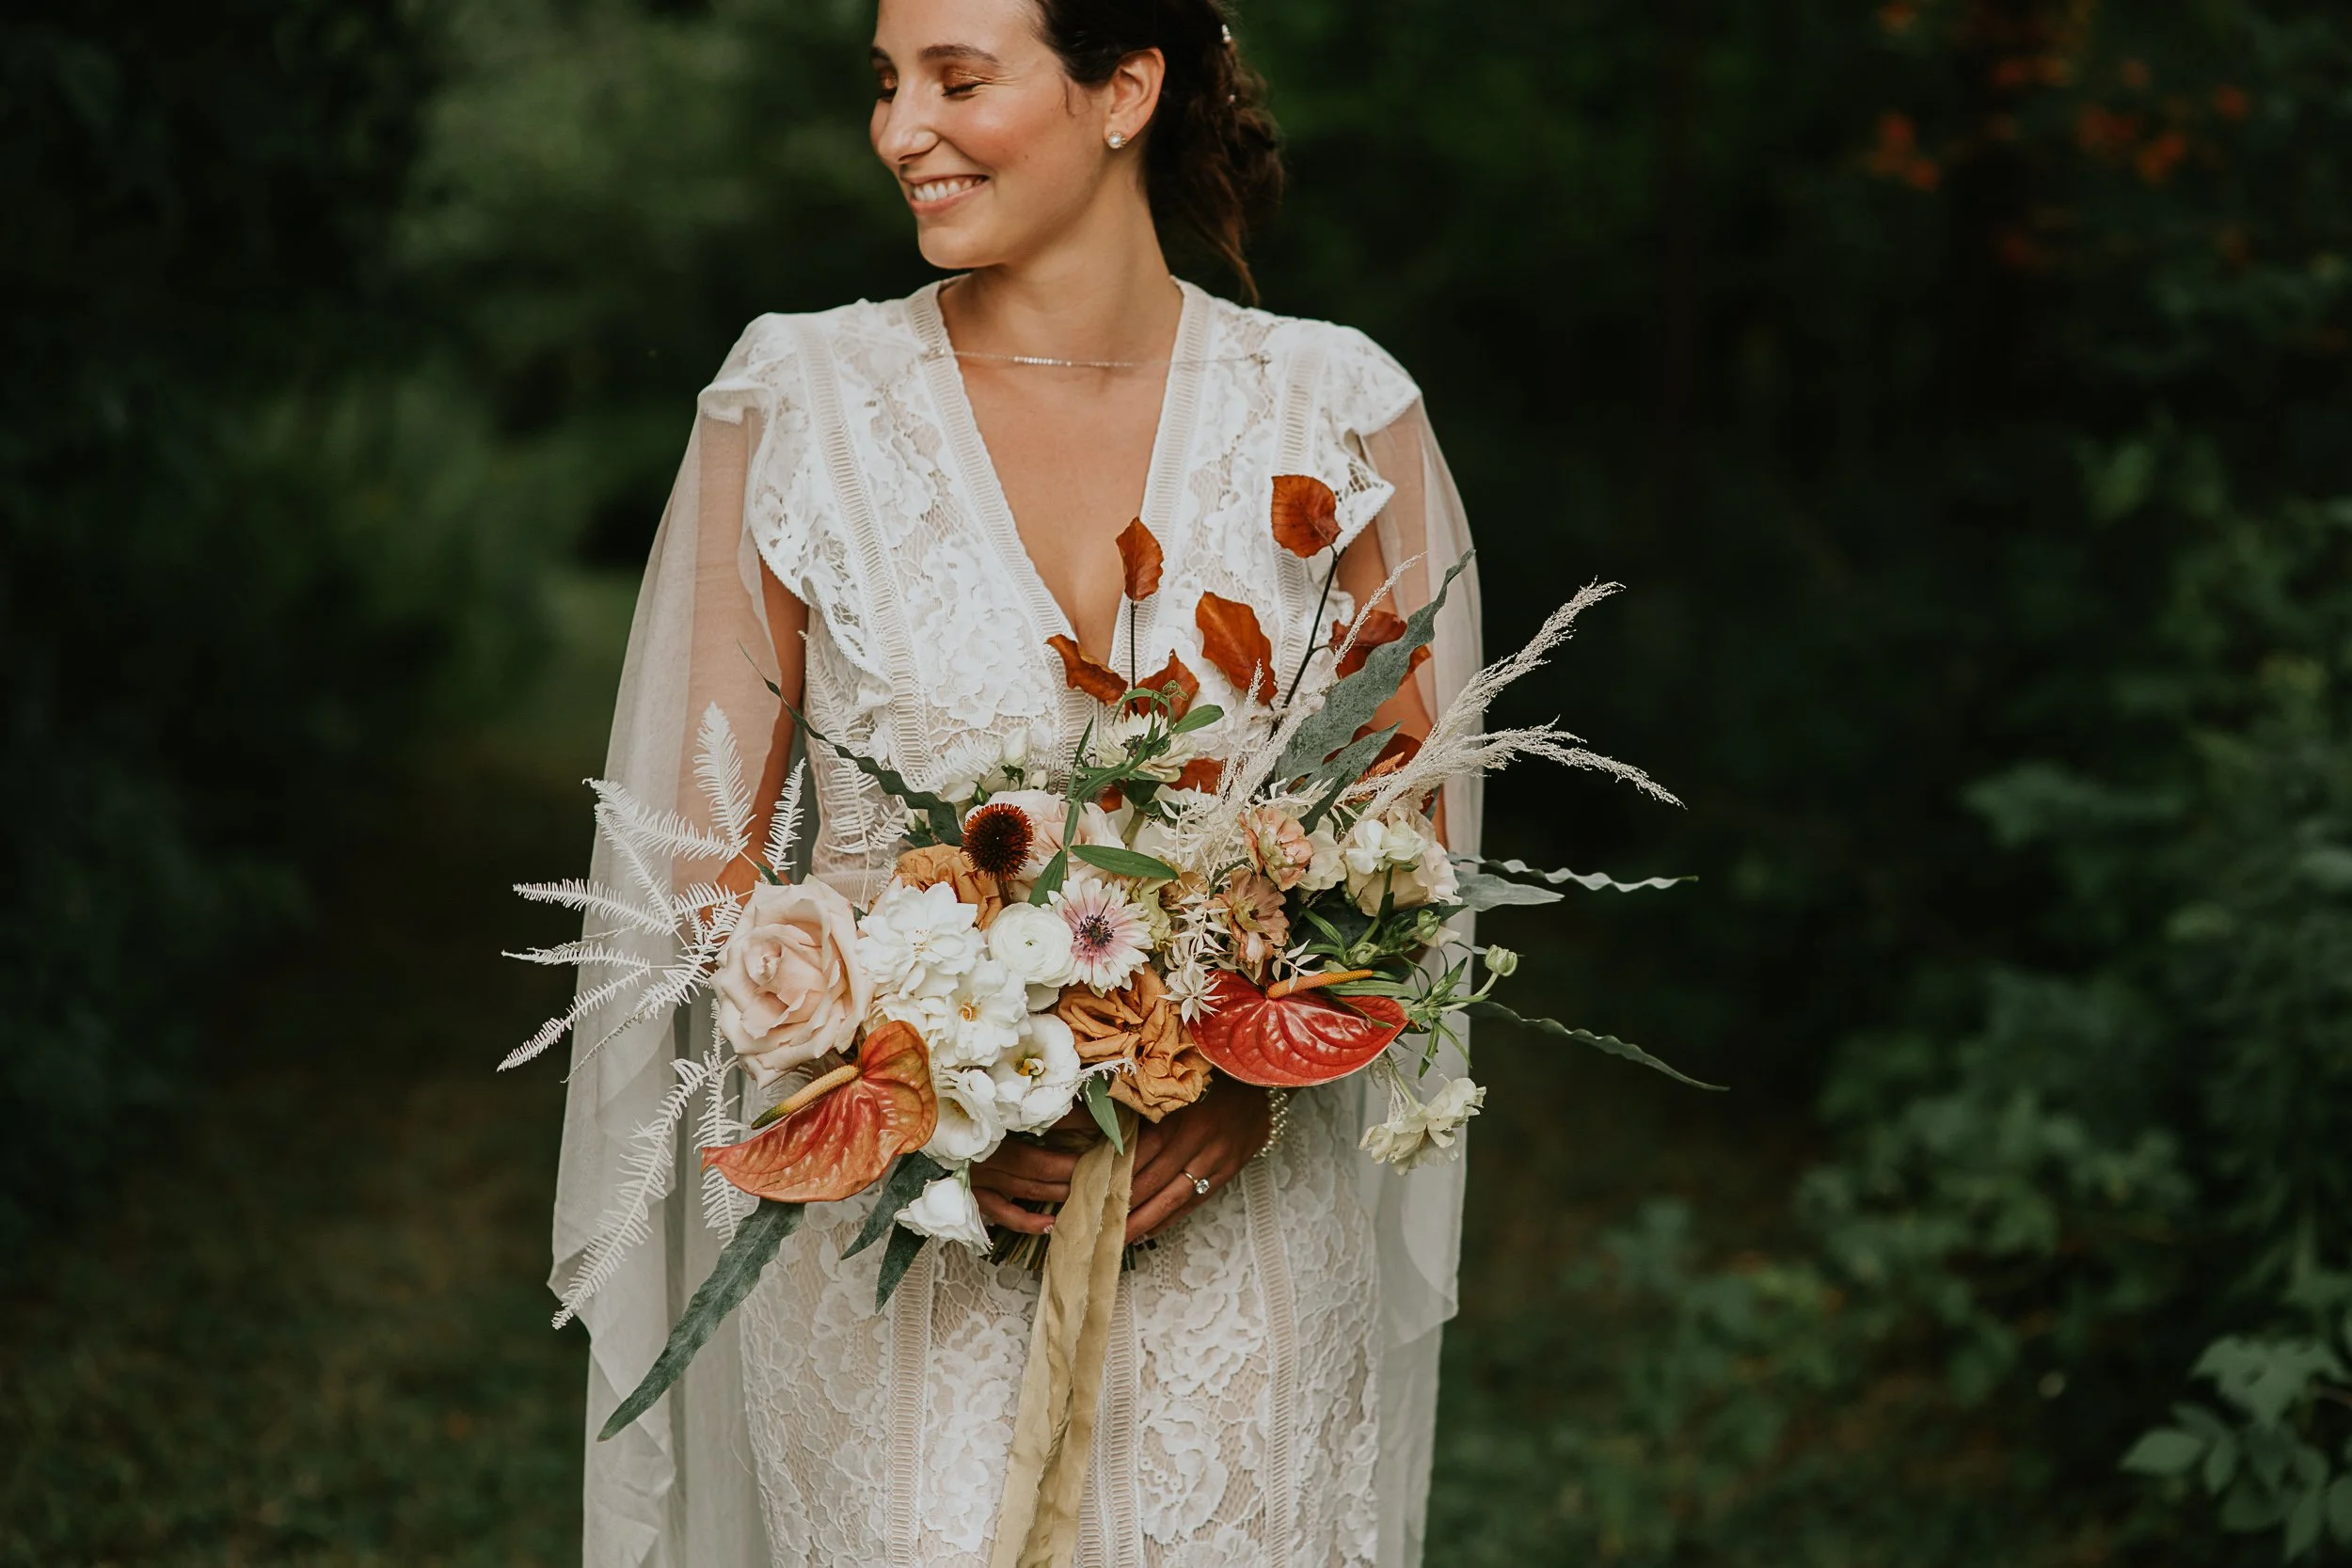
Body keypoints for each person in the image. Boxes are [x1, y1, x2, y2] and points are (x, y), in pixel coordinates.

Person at [551, 1, 1484, 1562]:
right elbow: (692, 855)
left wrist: (1248, 1085)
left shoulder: (1337, 409)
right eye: (886, 82)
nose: (898, 128)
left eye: (955, 80)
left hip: (1238, 1253)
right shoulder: (798, 403)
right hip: (890, 1263)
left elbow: (1412, 832)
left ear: (1123, 90)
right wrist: (919, 1103)